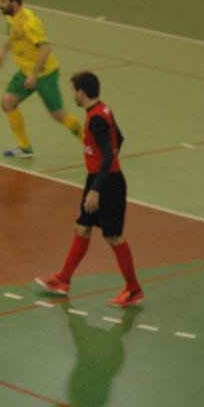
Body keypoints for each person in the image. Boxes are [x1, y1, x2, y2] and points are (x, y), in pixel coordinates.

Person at [35, 72, 143, 308]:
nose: (72, 94)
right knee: (82, 228)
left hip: (108, 184)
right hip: (99, 178)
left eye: (73, 90)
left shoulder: (96, 120)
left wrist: (96, 189)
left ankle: (134, 289)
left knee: (113, 236)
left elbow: (108, 155)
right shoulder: (103, 110)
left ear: (82, 93)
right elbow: (119, 139)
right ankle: (63, 280)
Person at [0, 0, 83, 158]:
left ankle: (92, 146)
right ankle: (25, 147)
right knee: (8, 102)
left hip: (44, 74)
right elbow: (13, 35)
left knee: (58, 114)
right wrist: (3, 52)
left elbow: (45, 48)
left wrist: (34, 75)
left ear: (15, 2)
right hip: (26, 71)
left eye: (3, 1)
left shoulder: (30, 22)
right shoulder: (12, 17)